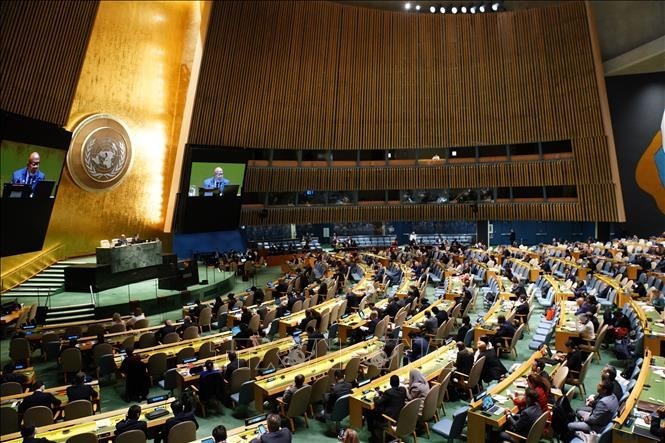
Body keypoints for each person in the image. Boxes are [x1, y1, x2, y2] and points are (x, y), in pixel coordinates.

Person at [367, 375, 407, 442]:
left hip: (389, 419)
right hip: (400, 416)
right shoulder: (403, 390)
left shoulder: (388, 392)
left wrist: (376, 396)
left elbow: (377, 402)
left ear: (390, 383)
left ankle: (373, 435)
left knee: (369, 412)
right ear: (399, 383)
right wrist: (383, 394)